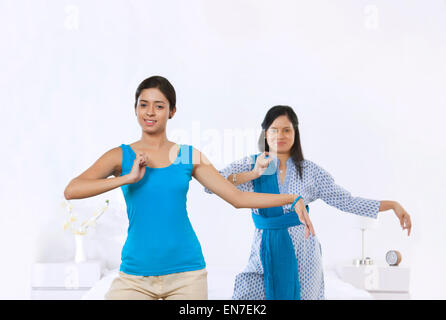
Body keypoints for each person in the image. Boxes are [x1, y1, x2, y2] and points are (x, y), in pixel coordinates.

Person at [63, 76, 313, 300]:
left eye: (159, 106)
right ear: (136, 109)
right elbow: (72, 190)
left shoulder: (186, 156)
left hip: (186, 275)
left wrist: (291, 198)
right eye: (143, 104)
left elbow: (236, 197)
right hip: (134, 277)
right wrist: (126, 178)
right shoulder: (121, 155)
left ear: (172, 111)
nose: (150, 112)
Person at [205, 105, 412, 300]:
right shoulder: (252, 163)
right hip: (264, 251)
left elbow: (346, 201)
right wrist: (253, 173)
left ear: (295, 133)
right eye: (274, 130)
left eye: (286, 130)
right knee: (247, 294)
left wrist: (392, 205)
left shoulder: (310, 171)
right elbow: (210, 185)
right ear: (265, 134)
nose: (280, 135)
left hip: (303, 254)